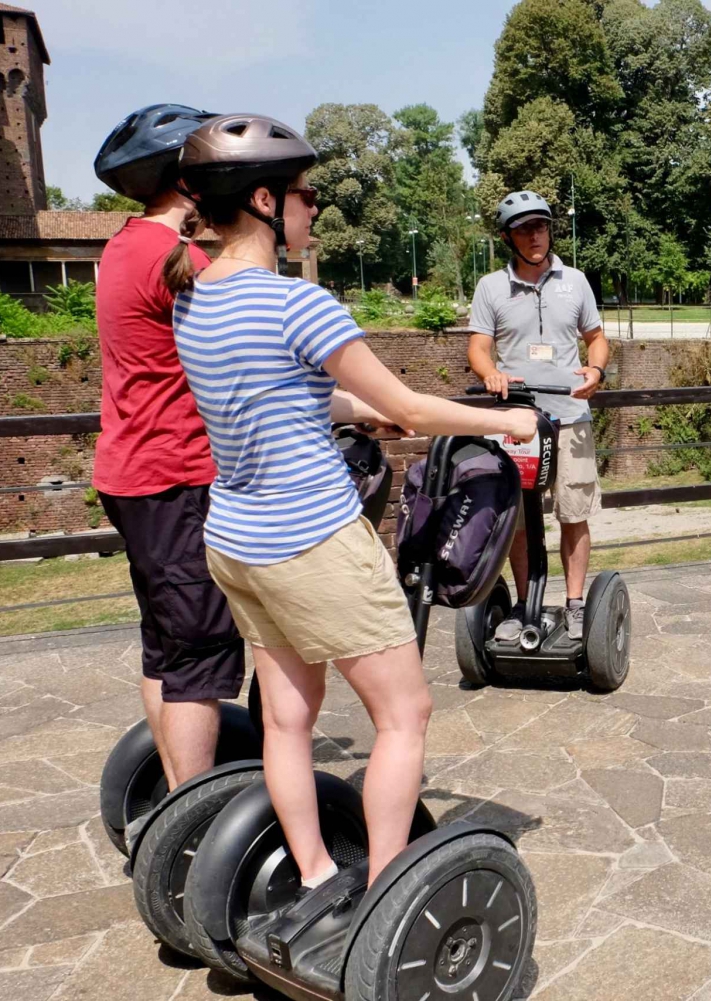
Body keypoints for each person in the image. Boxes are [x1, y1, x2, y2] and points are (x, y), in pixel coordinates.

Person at [163, 114, 538, 888]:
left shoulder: (192, 297)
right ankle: (387, 888)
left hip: (236, 539)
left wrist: (341, 406)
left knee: (285, 718)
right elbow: (414, 409)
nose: (312, 210)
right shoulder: (301, 304)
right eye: (306, 197)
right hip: (314, 540)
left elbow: (259, 392)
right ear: (266, 201)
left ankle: (314, 870)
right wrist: (506, 419)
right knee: (405, 714)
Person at [91, 103, 244, 791]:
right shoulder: (178, 260)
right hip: (175, 474)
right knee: (197, 656)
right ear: (187, 177)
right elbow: (246, 354)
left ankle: (174, 801)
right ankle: (192, 821)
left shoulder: (122, 246)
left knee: (163, 647)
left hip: (130, 473)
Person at [466, 191, 610, 643]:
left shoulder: (576, 281)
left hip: (570, 415)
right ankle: (526, 603)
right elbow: (478, 348)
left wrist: (596, 369)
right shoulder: (492, 287)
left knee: (573, 512)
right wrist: (490, 374)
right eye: (525, 228)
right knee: (519, 520)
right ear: (508, 236)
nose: (535, 236)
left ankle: (574, 603)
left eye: (541, 226)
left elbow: (597, 337)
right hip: (519, 423)